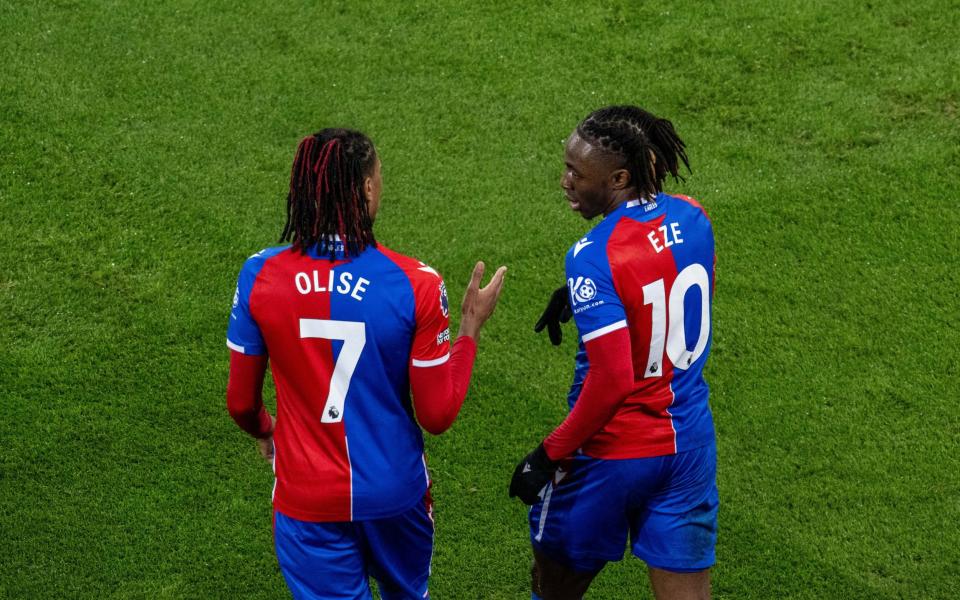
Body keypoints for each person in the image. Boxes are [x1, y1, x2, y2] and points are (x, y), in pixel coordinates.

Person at [226, 128, 506, 600]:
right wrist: (470, 329)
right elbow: (437, 416)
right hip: (397, 497)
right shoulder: (415, 283)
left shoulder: (261, 276)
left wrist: (266, 431)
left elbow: (240, 403)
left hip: (308, 499)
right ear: (369, 189)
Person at [509, 106, 717, 600]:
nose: (565, 182)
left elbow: (612, 379)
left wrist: (547, 454)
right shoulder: (694, 215)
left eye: (577, 174)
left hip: (610, 454)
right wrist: (586, 297)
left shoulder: (593, 253)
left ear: (620, 177)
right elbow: (660, 271)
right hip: (688, 448)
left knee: (553, 588)